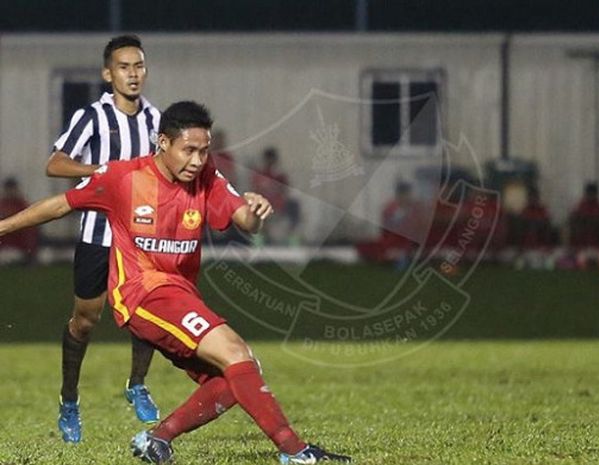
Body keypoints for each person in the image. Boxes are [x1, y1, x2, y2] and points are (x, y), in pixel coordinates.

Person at [0, 101, 351, 464]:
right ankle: (296, 452)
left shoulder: (207, 178)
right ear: (162, 143)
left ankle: (158, 438)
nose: (197, 160)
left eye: (204, 151)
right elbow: (61, 204)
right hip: (142, 293)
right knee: (236, 353)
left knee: (237, 378)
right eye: (189, 150)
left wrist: (257, 211)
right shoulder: (124, 178)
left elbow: (245, 220)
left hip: (181, 294)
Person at [45, 34, 160, 442]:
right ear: (107, 73)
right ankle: (69, 401)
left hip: (142, 237)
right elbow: (55, 164)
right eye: (124, 67)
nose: (133, 74)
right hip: (97, 234)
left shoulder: (156, 120)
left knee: (147, 318)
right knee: (85, 321)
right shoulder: (91, 117)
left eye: (139, 66)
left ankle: (137, 385)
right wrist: (98, 171)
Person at [250, 146, 301, 246]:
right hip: (264, 205)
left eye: (272, 159)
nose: (270, 162)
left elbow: (285, 191)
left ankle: (293, 240)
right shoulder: (259, 175)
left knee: (294, 206)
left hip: (279, 205)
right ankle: (258, 242)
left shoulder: (280, 176)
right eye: (268, 159)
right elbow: (255, 191)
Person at [567, 183, 599, 270]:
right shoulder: (580, 206)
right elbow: (572, 220)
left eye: (592, 193)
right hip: (583, 245)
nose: (591, 195)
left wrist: (593, 221)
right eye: (589, 193)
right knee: (581, 264)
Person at [0, 177, 39, 263]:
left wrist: (30, 251)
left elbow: (30, 231)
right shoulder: (2, 205)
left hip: (19, 249)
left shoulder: (23, 205)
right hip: (4, 248)